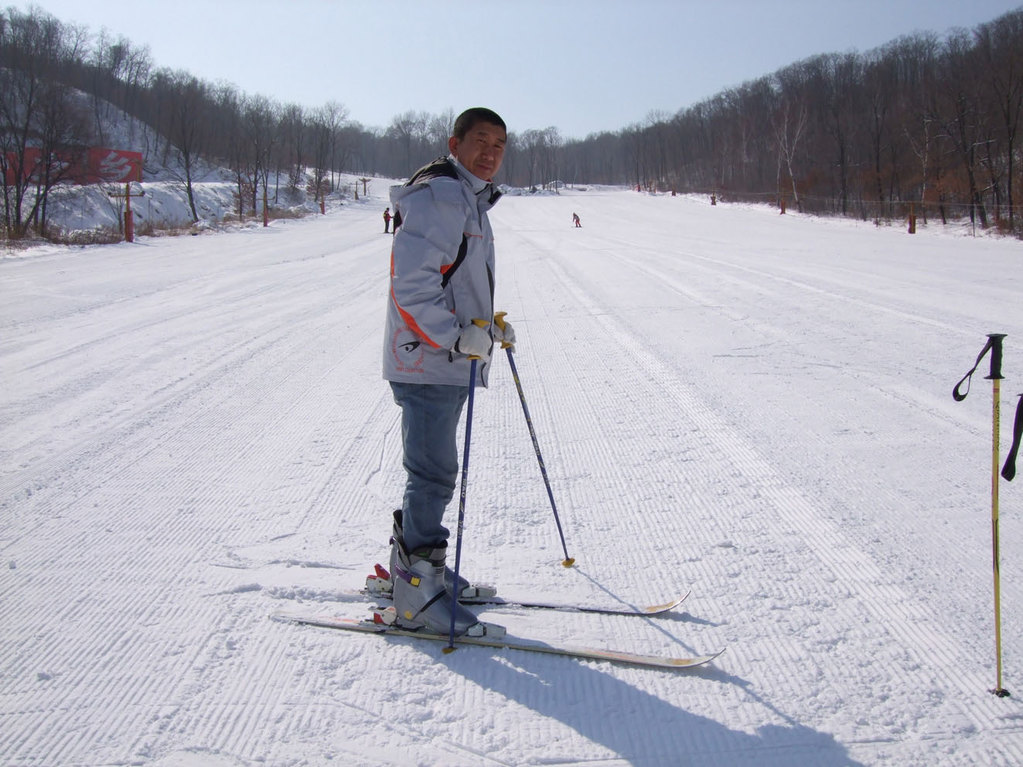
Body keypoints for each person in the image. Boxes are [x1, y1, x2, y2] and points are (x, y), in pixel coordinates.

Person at [379, 107, 514, 637]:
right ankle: (415, 592)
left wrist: (484, 325)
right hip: (429, 358)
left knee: (433, 471)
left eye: (500, 144)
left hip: (443, 357)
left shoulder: (468, 198)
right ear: (455, 142)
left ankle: (419, 569)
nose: (491, 152)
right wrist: (457, 335)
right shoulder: (443, 195)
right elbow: (411, 285)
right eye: (481, 140)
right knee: (432, 473)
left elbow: (453, 276)